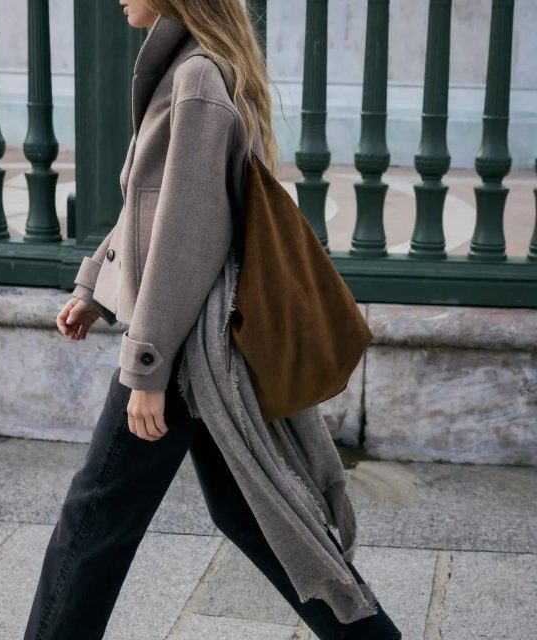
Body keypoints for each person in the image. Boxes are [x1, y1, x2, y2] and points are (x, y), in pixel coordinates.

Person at [23, 2, 402, 639]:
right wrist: (96, 286)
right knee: (254, 516)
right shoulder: (194, 65)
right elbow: (153, 209)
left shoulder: (196, 76)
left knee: (92, 520)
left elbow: (185, 237)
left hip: (182, 345)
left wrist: (147, 368)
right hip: (197, 339)